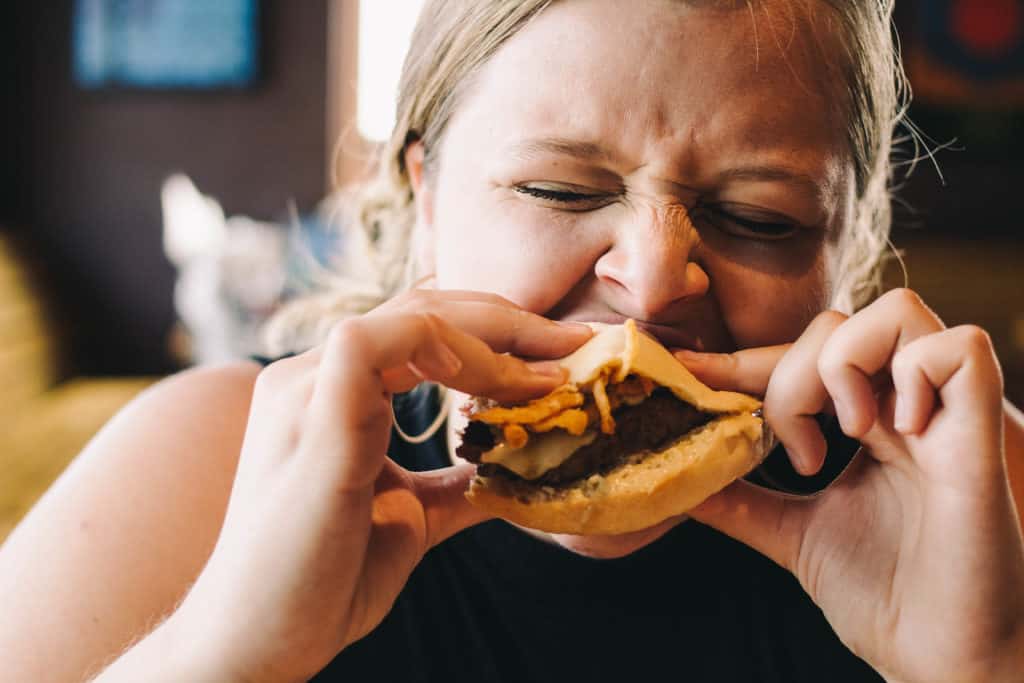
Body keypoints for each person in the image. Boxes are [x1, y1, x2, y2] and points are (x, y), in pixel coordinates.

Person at [2, 0, 1023, 680]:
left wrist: (984, 666)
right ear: (425, 197)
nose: (656, 275)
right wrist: (222, 654)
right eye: (560, 190)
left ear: (853, 253)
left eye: (761, 217)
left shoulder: (981, 499)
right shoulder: (209, 468)